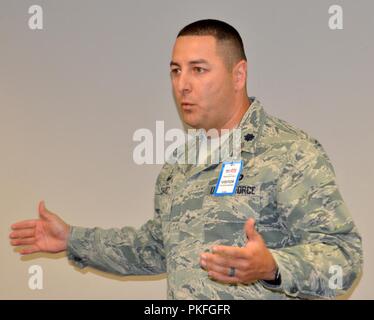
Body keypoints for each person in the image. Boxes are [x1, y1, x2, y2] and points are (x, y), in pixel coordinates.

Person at [9, 19, 363, 299]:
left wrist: (272, 267)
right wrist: (72, 238)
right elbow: (156, 249)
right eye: (176, 70)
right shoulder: (181, 164)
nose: (182, 85)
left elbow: (344, 257)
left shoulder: (289, 152)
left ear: (238, 75)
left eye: (199, 69)